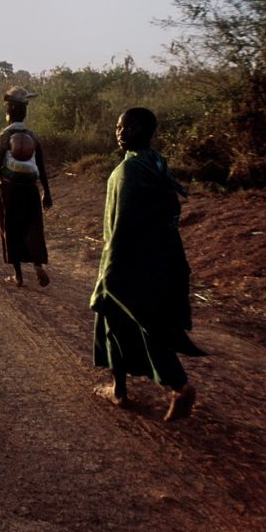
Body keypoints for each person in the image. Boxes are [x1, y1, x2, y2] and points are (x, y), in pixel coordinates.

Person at [90, 107, 204, 421]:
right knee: (131, 322)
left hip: (129, 260)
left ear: (146, 131)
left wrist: (110, 270)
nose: (121, 133)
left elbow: (123, 226)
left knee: (121, 320)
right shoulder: (154, 162)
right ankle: (122, 390)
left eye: (129, 127)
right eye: (118, 127)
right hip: (156, 259)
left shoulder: (129, 172)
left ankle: (175, 386)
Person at [0, 86, 53, 287]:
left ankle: (18, 276)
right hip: (30, 188)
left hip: (10, 190)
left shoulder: (3, 137)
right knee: (33, 228)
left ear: (8, 112)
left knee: (11, 229)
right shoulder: (33, 136)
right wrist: (46, 193)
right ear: (25, 112)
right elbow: (41, 166)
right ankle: (38, 264)